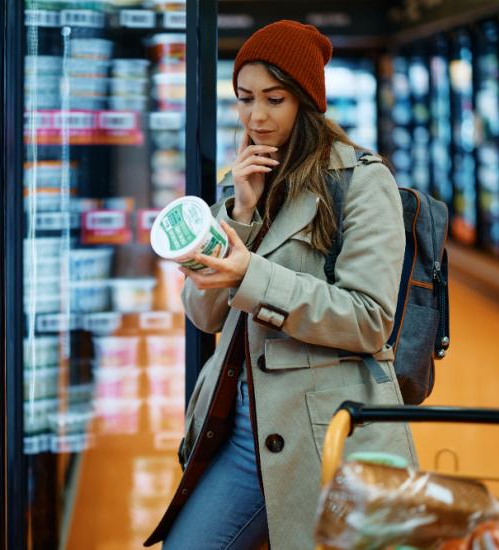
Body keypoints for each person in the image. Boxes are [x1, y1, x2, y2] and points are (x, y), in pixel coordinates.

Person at [144, 20, 416, 550]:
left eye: (275, 98)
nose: (257, 117)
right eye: (245, 99)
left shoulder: (361, 181)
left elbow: (369, 319)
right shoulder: (243, 180)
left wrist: (252, 274)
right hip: (240, 424)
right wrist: (241, 212)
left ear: (307, 102)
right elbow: (206, 317)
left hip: (327, 430)